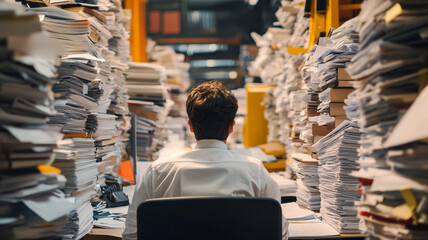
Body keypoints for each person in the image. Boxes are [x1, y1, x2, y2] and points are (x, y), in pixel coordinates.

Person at [122, 80, 288, 240]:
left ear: (191, 126)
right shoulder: (255, 171)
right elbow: (278, 233)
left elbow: (132, 235)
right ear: (231, 126)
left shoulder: (158, 171)